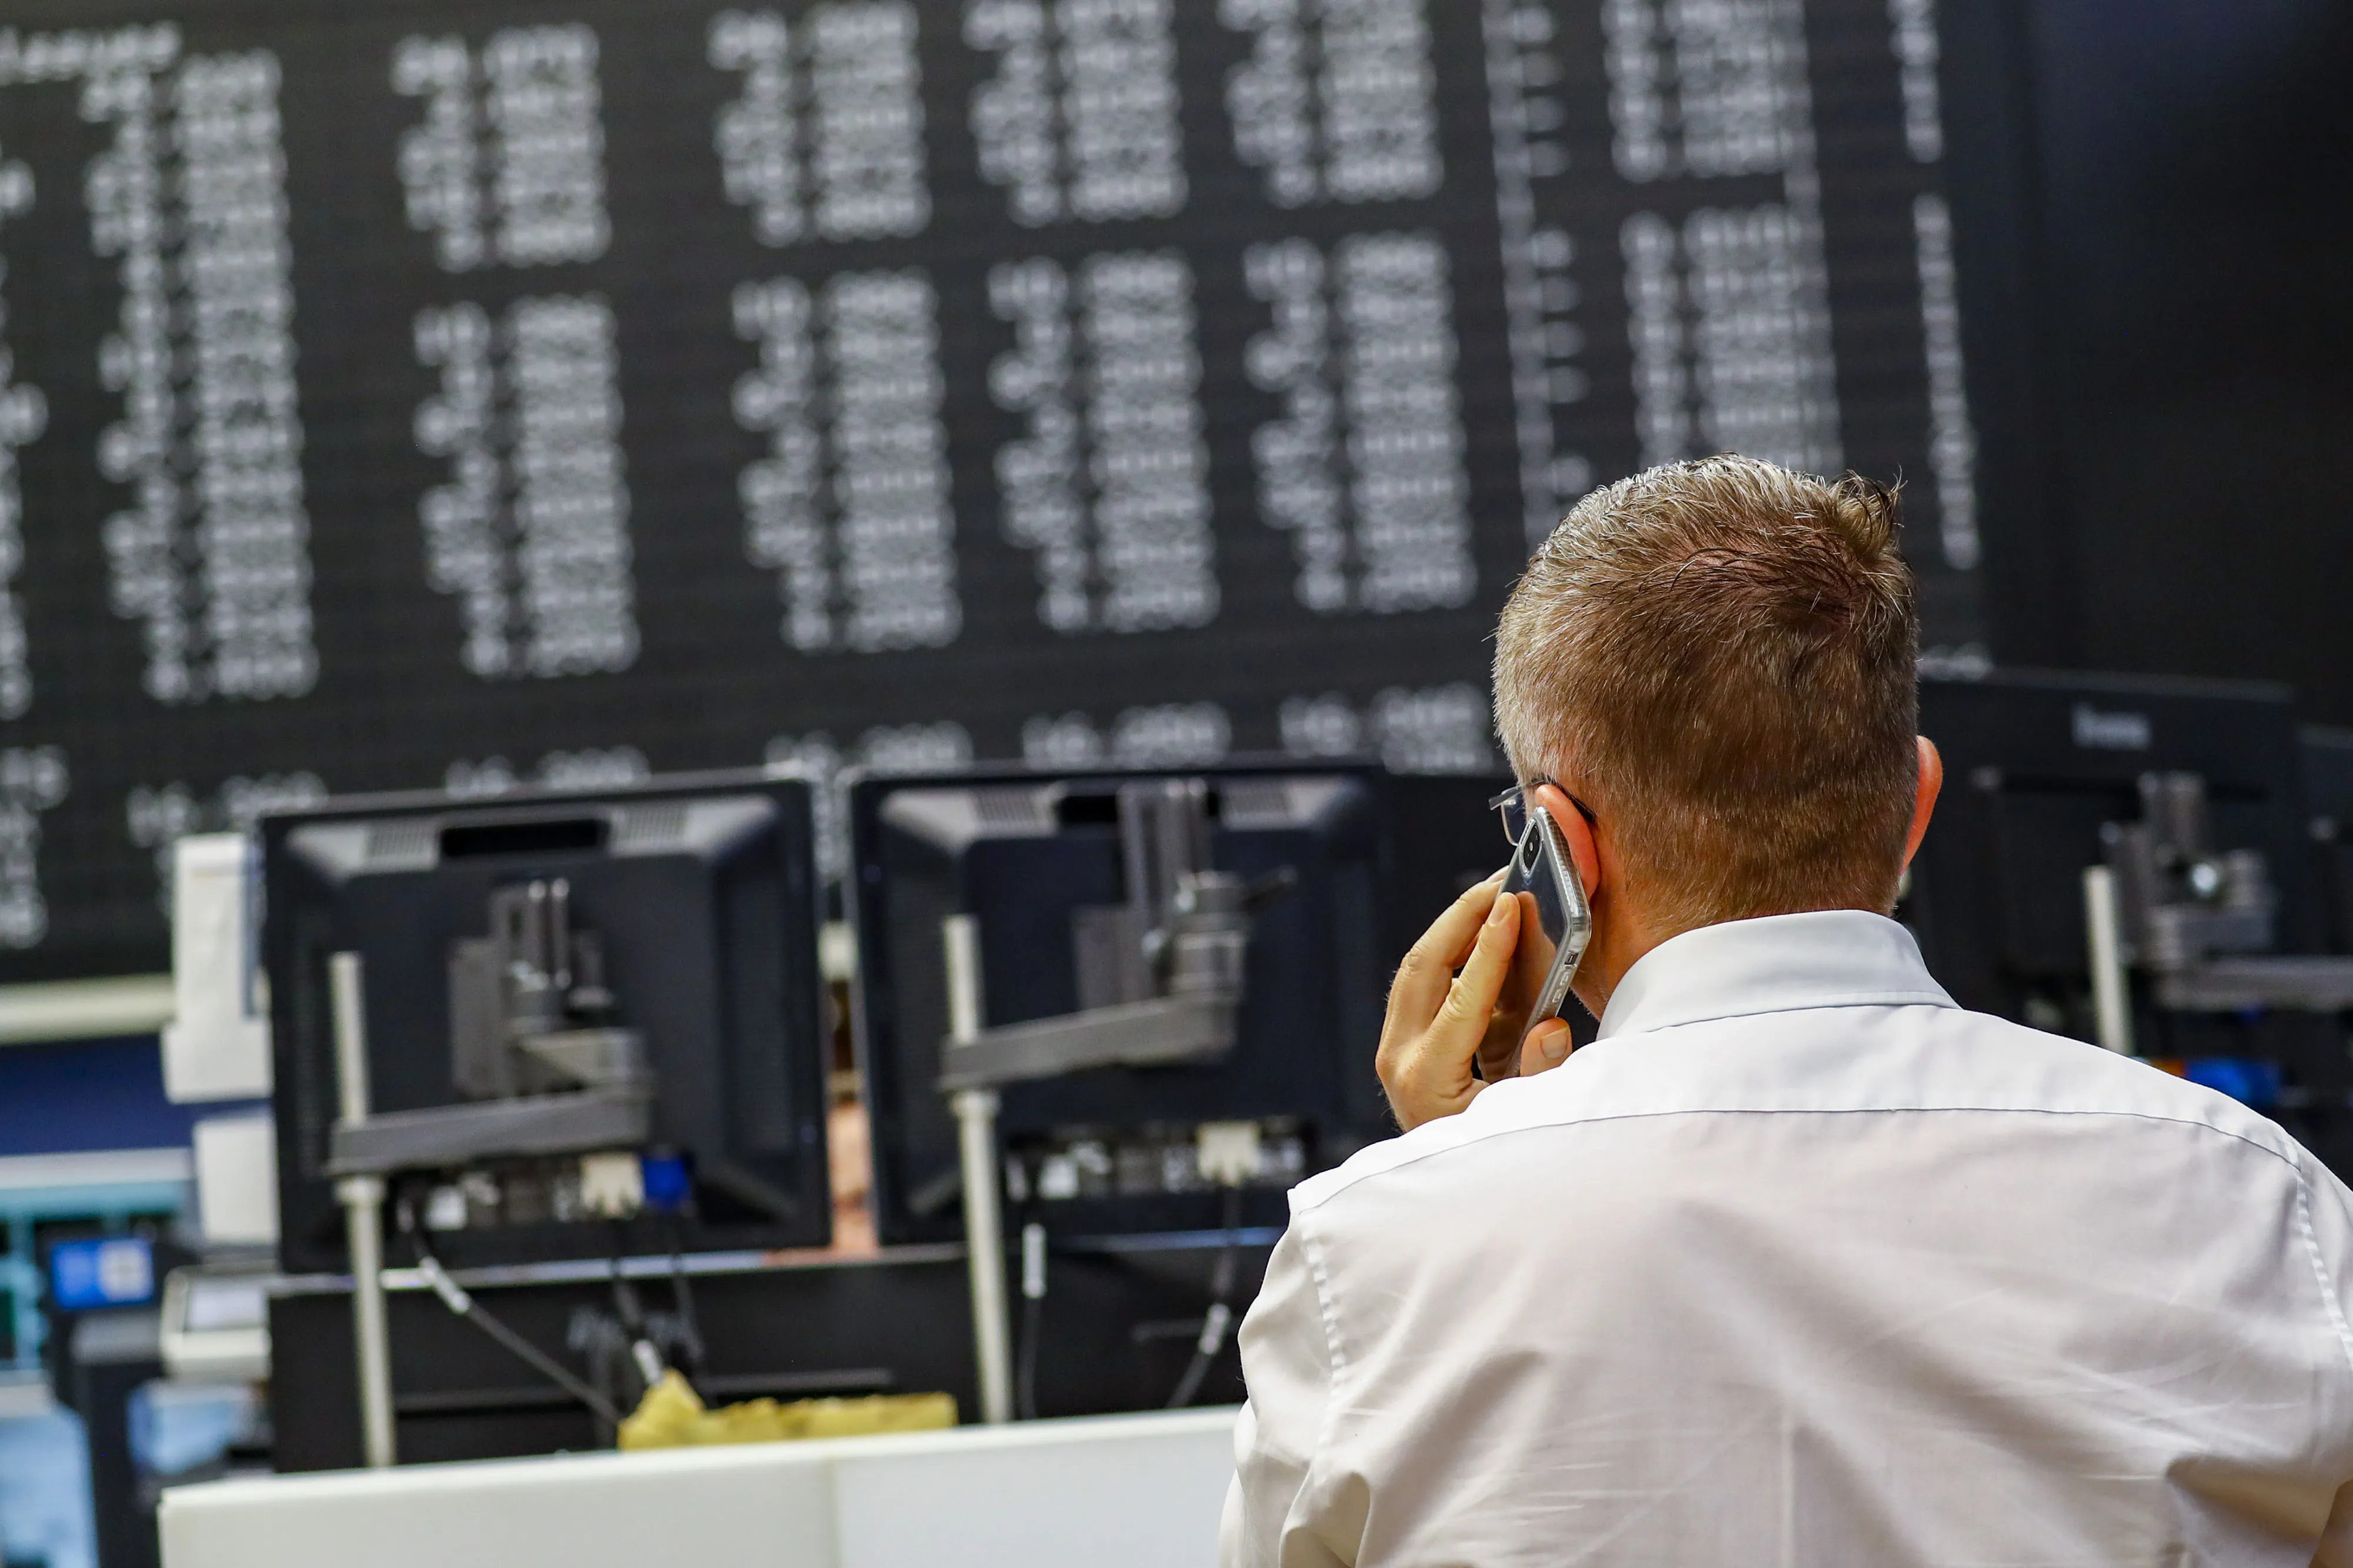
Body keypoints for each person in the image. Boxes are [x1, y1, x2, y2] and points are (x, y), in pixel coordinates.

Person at [1221, 456, 2353, 1566]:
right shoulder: (2265, 1203)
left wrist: (1460, 1185)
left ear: (1556, 847)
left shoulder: (1369, 1253)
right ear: (1916, 802)